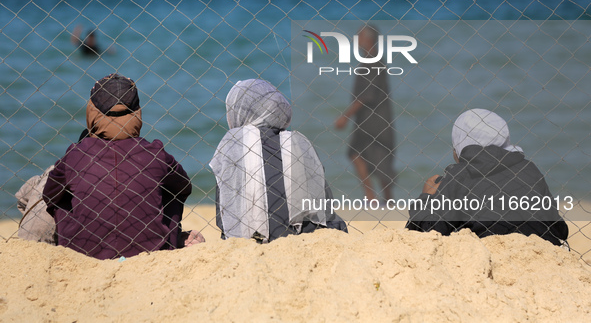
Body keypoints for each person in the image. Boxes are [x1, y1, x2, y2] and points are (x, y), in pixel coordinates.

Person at [43, 73, 204, 260]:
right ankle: (163, 238)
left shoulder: (75, 155)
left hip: (84, 253)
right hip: (151, 251)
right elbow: (184, 186)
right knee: (170, 188)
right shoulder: (155, 153)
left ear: (91, 112)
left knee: (61, 196)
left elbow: (49, 194)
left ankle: (77, 240)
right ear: (137, 113)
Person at [210, 79, 348, 243]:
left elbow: (224, 217)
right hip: (308, 235)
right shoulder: (298, 142)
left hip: (256, 240)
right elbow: (323, 204)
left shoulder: (232, 145)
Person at [406, 108, 569, 246]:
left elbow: (431, 233)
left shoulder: (459, 175)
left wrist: (426, 197)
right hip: (541, 250)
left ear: (460, 148)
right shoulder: (528, 168)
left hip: (491, 254)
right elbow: (560, 229)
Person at [335, 25, 396, 201]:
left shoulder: (372, 62)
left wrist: (345, 116)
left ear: (368, 40)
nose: (357, 41)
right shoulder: (374, 61)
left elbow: (366, 95)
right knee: (358, 153)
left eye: (359, 37)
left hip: (375, 119)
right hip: (371, 118)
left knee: (378, 158)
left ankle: (379, 198)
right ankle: (376, 197)